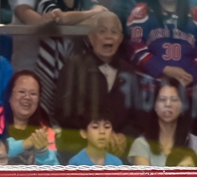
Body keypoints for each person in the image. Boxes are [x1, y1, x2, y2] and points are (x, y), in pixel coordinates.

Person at [54, 11, 142, 162]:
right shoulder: (73, 67)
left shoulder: (130, 73)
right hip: (79, 148)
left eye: (114, 32)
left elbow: (139, 116)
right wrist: (96, 135)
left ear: (120, 39)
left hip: (119, 149)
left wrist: (123, 136)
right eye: (102, 31)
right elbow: (63, 112)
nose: (108, 36)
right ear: (91, 37)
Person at [0, 71, 59, 165]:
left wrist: (42, 153)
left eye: (33, 94)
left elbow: (54, 171)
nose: (27, 97)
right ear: (9, 95)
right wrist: (25, 143)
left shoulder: (44, 131)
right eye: (21, 92)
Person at [125, 0, 197, 88]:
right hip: (149, 87)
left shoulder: (194, 16)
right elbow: (135, 48)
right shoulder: (140, 13)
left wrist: (192, 75)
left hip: (186, 89)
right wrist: (163, 69)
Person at [128, 79, 197, 166]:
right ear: (155, 106)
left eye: (174, 100)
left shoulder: (196, 144)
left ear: (182, 106)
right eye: (162, 99)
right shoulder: (141, 144)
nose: (168, 104)